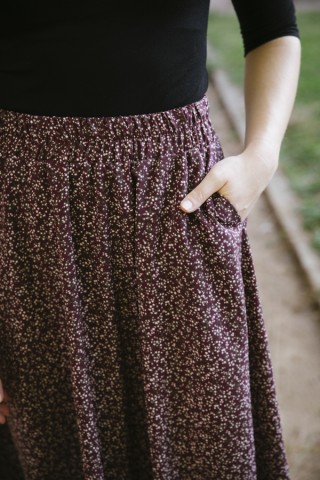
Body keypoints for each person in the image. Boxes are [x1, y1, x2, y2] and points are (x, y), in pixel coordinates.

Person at [0, 1, 300, 479]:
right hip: (30, 212)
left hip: (174, 199)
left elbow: (273, 26)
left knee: (205, 430)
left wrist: (261, 158)